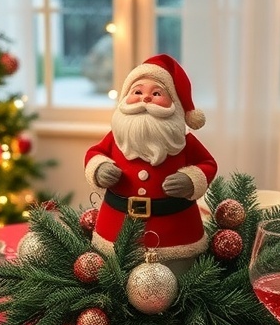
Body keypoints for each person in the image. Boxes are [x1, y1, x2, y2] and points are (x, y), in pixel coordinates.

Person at [84, 54, 217, 263]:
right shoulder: (117, 136)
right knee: (113, 275)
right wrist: (99, 168)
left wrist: (191, 180)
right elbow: (94, 153)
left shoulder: (183, 141)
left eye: (156, 93)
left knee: (179, 282)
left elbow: (208, 164)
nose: (145, 99)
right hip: (117, 232)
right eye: (137, 92)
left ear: (174, 105)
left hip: (176, 234)